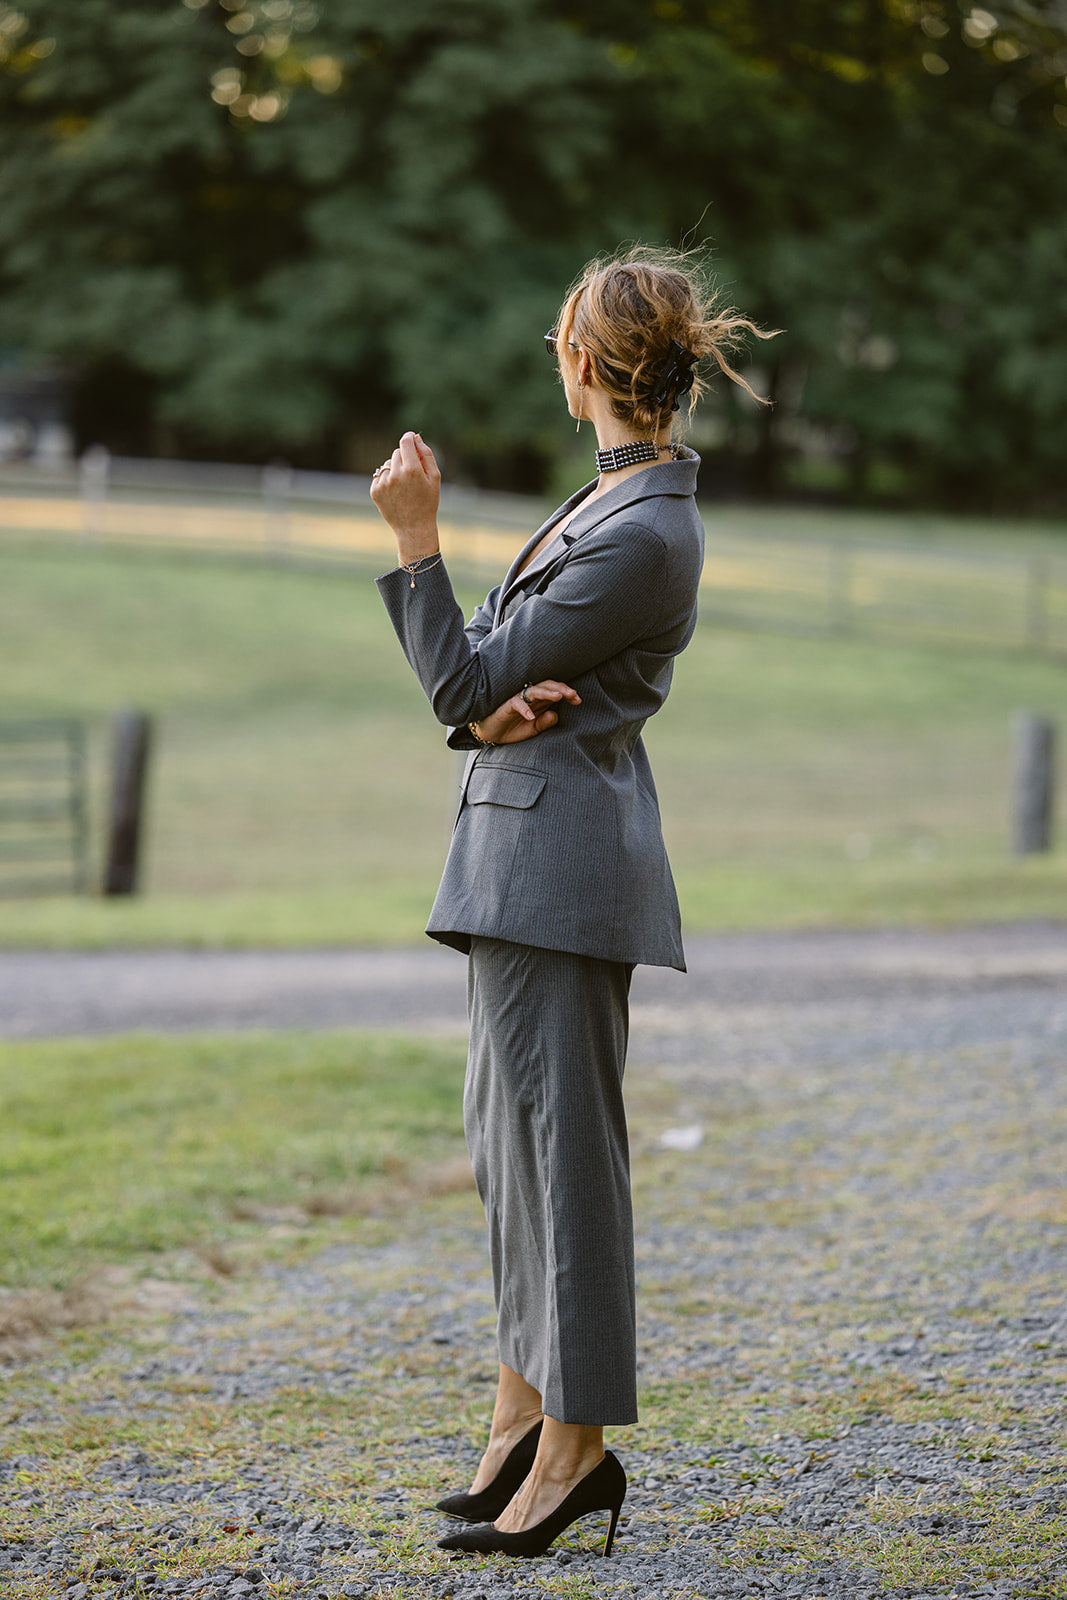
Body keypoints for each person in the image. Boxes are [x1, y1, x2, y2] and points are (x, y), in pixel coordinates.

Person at [369, 247, 769, 1559]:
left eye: (559, 339)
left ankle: (578, 1450)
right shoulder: (606, 500)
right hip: (511, 862)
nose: (555, 354)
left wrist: (416, 540)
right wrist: (484, 708)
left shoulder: (647, 530)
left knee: (565, 1163)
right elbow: (480, 683)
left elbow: (461, 675)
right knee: (508, 1153)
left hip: (563, 873)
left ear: (584, 360)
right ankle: (522, 1415)